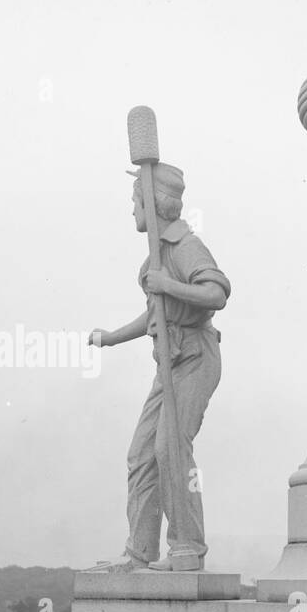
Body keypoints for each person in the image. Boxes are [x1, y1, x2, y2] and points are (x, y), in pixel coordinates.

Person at [89, 162, 230, 572]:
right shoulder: (158, 252)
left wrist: (168, 284)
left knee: (170, 448)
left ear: (153, 205)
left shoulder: (185, 246)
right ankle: (140, 551)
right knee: (142, 454)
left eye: (135, 202)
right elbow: (156, 313)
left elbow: (215, 293)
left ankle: (187, 549)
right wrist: (112, 337)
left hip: (195, 358)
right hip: (167, 363)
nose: (131, 210)